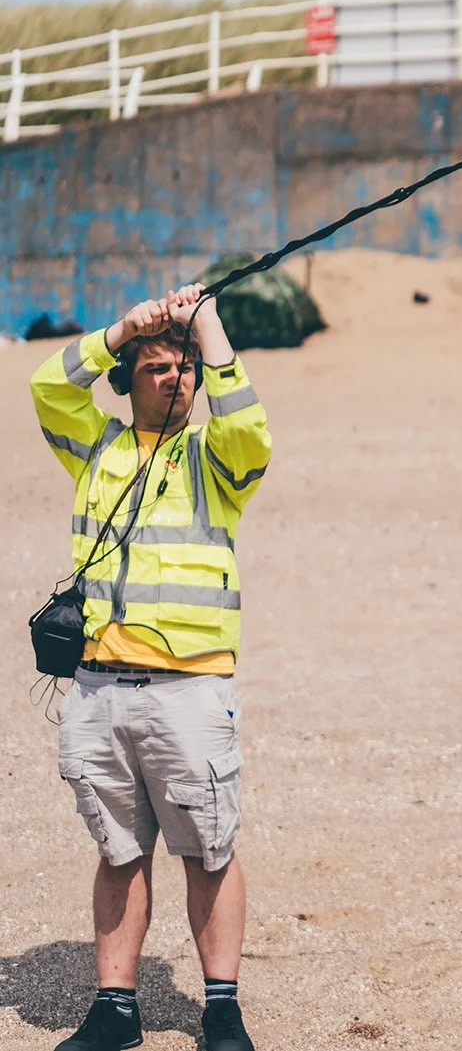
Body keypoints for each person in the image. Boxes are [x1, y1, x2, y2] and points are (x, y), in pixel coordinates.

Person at [30, 284, 270, 1051]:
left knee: (208, 847)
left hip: (191, 689)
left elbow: (253, 428)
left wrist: (211, 327)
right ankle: (115, 1007)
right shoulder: (93, 447)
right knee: (118, 849)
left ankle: (222, 1009)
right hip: (98, 686)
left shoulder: (217, 458)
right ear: (129, 379)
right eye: (158, 367)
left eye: (186, 369)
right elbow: (45, 385)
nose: (175, 378)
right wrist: (123, 328)